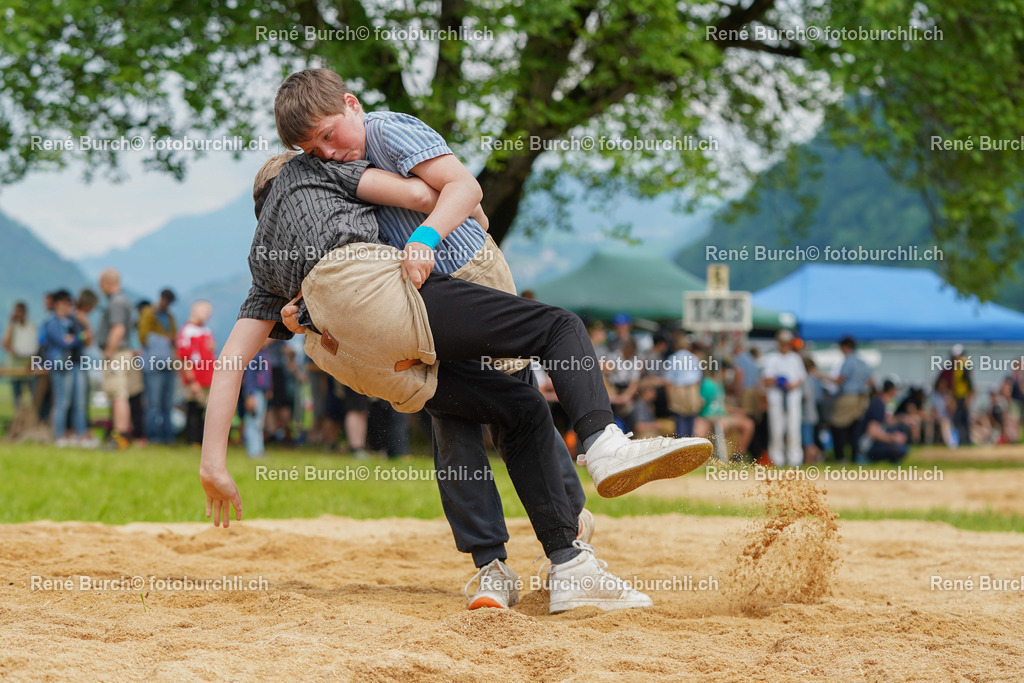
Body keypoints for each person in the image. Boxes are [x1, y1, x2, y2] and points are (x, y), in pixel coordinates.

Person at [199, 150, 712, 615]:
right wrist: (461, 211)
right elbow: (428, 193)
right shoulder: (322, 175)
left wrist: (213, 464)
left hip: (372, 370)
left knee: (509, 409)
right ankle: (600, 456)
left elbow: (231, 361)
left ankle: (511, 567)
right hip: (390, 312)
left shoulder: (264, 265)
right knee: (557, 328)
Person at [274, 67, 599, 608]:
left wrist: (439, 225)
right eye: (312, 148)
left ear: (352, 105)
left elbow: (462, 188)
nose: (326, 152)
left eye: (329, 135)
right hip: (420, 300)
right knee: (455, 420)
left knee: (514, 408)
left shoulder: (386, 130)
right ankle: (492, 562)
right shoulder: (333, 171)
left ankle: (567, 523)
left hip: (468, 275)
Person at [97, 269, 143, 449]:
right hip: (126, 351)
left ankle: (119, 435)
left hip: (117, 353)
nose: (100, 288)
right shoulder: (125, 300)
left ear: (108, 282)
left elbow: (118, 329)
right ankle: (124, 433)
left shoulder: (115, 302)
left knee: (118, 394)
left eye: (101, 283)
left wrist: (109, 352)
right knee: (125, 393)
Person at [40, 290, 91, 447]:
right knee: (63, 402)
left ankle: (81, 435)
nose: (69, 307)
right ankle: (59, 435)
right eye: (66, 304)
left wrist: (76, 337)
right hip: (61, 366)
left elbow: (85, 337)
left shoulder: (72, 322)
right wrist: (78, 337)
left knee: (79, 402)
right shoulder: (52, 324)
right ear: (57, 304)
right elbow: (66, 342)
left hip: (76, 363)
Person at [138, 288, 179, 444]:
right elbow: (143, 337)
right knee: (154, 403)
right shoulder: (149, 313)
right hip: (153, 365)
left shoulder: (169, 317)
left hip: (168, 364)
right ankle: (153, 436)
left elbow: (174, 336)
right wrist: (164, 340)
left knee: (167, 403)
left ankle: (168, 436)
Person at [762, 329, 806, 467]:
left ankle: (795, 459)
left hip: (792, 400)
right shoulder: (771, 358)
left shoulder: (795, 358)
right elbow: (767, 379)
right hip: (777, 400)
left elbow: (801, 378)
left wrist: (791, 385)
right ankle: (777, 459)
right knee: (776, 430)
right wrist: (779, 381)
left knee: (793, 430)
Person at [176, 300, 216, 445]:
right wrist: (192, 380)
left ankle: (203, 440)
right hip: (196, 379)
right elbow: (184, 357)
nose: (207, 316)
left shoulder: (206, 331)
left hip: (208, 378)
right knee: (194, 410)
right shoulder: (187, 332)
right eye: (205, 312)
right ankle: (192, 440)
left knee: (205, 411)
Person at [830, 336, 872, 463]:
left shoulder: (848, 361)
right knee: (855, 430)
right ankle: (855, 458)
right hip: (861, 399)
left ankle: (840, 457)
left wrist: (820, 376)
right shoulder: (863, 362)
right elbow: (871, 381)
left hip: (848, 397)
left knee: (837, 425)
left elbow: (839, 380)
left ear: (845, 347)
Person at [664, 331, 703, 437]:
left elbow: (669, 381)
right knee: (691, 422)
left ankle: (682, 447)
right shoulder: (694, 358)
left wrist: (670, 399)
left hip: (678, 389)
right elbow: (698, 379)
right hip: (692, 389)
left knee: (680, 421)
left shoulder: (672, 358)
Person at [860, 380, 910, 463]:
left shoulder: (879, 402)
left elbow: (886, 421)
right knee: (902, 449)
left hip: (871, 442)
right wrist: (893, 438)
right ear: (892, 390)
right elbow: (872, 432)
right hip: (868, 446)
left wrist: (902, 419)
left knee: (902, 429)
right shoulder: (878, 405)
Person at [3, 302, 38, 409]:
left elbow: (35, 346)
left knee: (33, 396)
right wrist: (11, 323)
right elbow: (5, 343)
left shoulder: (31, 326)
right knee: (17, 398)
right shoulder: (12, 326)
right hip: (15, 366)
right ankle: (19, 421)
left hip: (29, 365)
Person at [937, 345, 973, 446]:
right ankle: (961, 440)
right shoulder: (953, 367)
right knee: (957, 419)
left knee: (963, 419)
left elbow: (970, 384)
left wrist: (968, 398)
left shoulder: (965, 366)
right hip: (956, 396)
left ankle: (966, 440)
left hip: (963, 397)